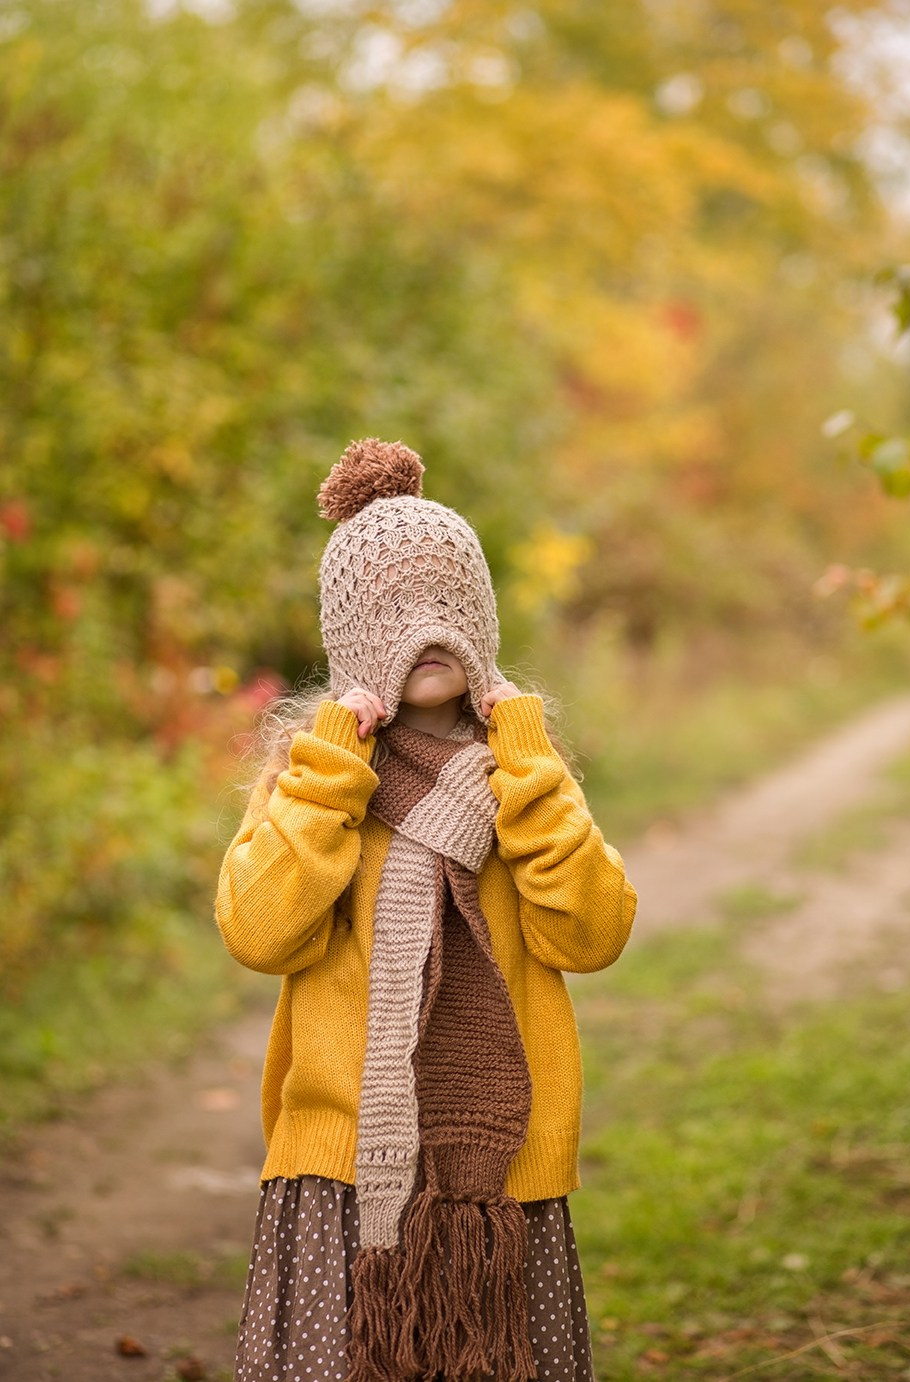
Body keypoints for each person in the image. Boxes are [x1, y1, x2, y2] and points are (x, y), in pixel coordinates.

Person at [215, 438, 638, 1382]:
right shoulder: (314, 781)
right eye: (393, 610)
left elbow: (594, 932)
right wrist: (330, 775)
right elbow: (258, 931)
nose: (425, 631)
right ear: (348, 635)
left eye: (448, 606)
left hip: (501, 1182)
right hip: (341, 1172)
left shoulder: (524, 779)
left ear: (481, 620)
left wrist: (531, 769)